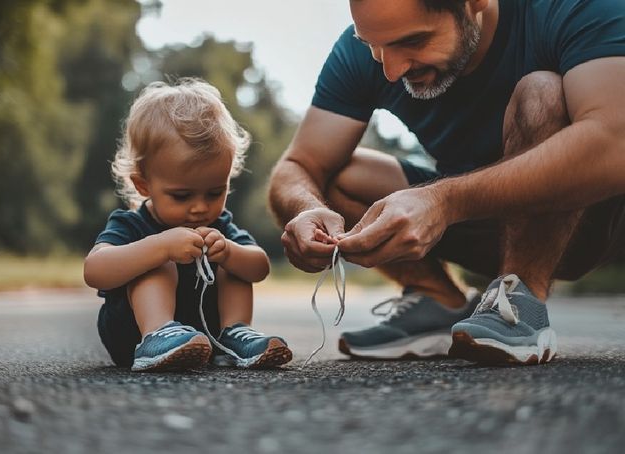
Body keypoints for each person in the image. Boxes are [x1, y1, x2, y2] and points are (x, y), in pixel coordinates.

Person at [268, 0, 625, 365]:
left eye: (413, 41)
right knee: (334, 178)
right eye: (373, 47)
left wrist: (444, 201)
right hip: (485, 225)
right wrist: (307, 209)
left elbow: (615, 144)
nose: (391, 71)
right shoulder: (367, 48)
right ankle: (438, 299)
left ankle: (519, 300)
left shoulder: (571, 7)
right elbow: (297, 166)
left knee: (541, 90)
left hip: (593, 219)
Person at [84, 79, 292, 372]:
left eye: (214, 192)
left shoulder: (218, 225)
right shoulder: (131, 224)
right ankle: (157, 333)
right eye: (182, 196)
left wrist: (229, 253)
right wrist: (160, 246)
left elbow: (259, 267)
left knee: (236, 262)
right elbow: (95, 270)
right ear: (144, 184)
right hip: (130, 334)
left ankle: (234, 333)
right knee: (157, 259)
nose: (200, 207)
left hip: (204, 338)